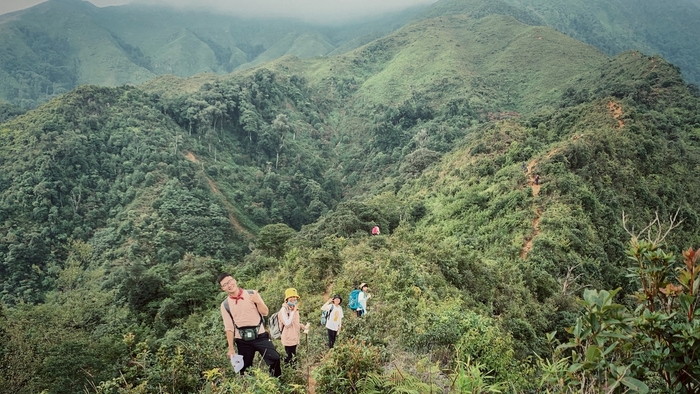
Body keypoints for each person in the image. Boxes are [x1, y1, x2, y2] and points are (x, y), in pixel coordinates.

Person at [217, 273, 281, 377]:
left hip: (260, 336)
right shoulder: (225, 305)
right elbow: (229, 328)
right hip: (242, 340)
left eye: (229, 281)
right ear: (222, 288)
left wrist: (258, 301)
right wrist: (231, 348)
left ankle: (275, 383)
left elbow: (265, 312)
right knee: (245, 370)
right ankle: (251, 387)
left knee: (275, 358)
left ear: (234, 280)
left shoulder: (251, 294)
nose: (229, 285)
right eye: (225, 284)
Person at [278, 288, 310, 367]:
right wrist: (293, 311)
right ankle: (289, 374)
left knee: (293, 356)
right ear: (287, 299)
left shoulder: (293, 308)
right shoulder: (283, 310)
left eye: (295, 297)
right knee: (290, 357)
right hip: (288, 338)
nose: (293, 299)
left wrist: (302, 327)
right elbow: (287, 324)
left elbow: (295, 322)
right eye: (291, 297)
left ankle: (293, 373)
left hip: (294, 337)